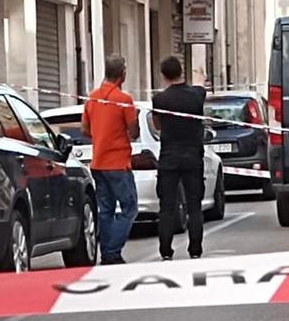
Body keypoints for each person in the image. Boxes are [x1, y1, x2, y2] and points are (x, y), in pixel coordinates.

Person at [81, 54, 139, 265]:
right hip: (118, 163)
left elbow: (84, 130)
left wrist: (101, 135)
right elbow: (134, 132)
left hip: (98, 162)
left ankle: (106, 253)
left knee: (105, 209)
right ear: (122, 74)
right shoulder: (124, 100)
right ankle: (112, 251)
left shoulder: (92, 98)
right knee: (129, 208)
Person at [152, 56, 207, 261]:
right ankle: (195, 250)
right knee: (194, 206)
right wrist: (200, 76)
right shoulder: (196, 95)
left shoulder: (159, 100)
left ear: (163, 76)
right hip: (193, 156)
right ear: (181, 72)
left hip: (169, 157)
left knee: (166, 206)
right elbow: (201, 85)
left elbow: (157, 126)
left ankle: (166, 251)